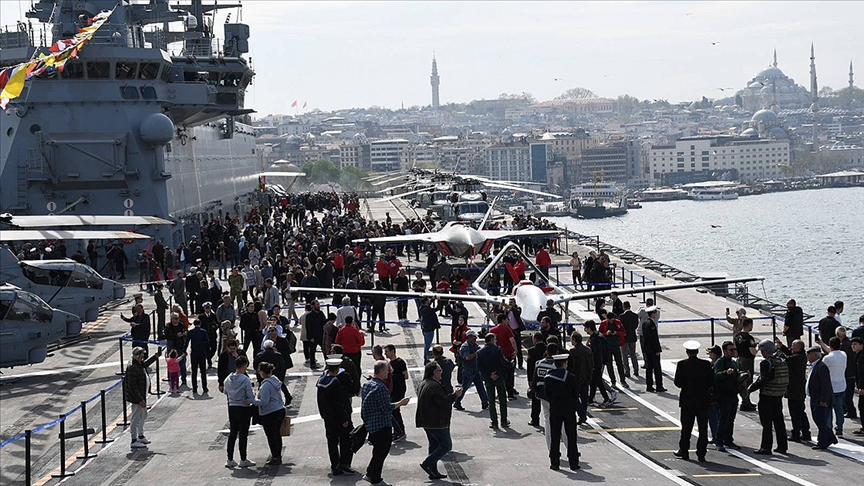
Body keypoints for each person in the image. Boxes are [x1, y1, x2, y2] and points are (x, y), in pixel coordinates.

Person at [360, 360, 410, 485]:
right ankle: (375, 478)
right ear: (382, 371)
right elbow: (387, 408)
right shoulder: (381, 388)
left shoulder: (367, 385)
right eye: (387, 371)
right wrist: (401, 403)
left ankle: (370, 472)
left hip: (371, 424)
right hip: (382, 425)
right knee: (381, 452)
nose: (388, 373)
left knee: (377, 451)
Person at [416, 361, 462, 480]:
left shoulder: (424, 383)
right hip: (437, 422)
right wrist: (455, 395)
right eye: (439, 370)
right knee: (446, 445)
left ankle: (433, 470)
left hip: (426, 421)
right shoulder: (434, 386)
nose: (441, 372)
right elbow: (443, 402)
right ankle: (427, 463)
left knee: (434, 445)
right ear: (433, 373)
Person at [673, 340, 714, 462]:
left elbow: (678, 382)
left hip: (687, 401)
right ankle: (701, 453)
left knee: (686, 428)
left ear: (687, 352)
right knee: (703, 429)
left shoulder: (682, 364)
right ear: (697, 352)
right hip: (703, 401)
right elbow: (711, 381)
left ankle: (684, 450)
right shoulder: (706, 364)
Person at [748, 339, 789, 455]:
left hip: (767, 395)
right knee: (779, 421)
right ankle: (782, 446)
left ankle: (766, 447)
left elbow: (763, 380)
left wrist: (750, 389)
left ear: (765, 351)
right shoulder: (781, 360)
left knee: (766, 423)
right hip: (778, 394)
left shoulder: (766, 363)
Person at [317, 358, 356, 476]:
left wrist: (323, 414)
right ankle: (344, 463)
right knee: (346, 440)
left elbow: (320, 401)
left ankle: (335, 465)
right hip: (339, 418)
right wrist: (344, 419)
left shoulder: (321, 381)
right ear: (338, 369)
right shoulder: (335, 382)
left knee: (332, 442)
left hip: (328, 417)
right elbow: (338, 403)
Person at [544, 353, 580, 471]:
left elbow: (547, 394)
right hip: (569, 409)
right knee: (571, 436)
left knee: (555, 436)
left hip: (555, 409)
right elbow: (576, 394)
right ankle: (573, 462)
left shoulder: (548, 377)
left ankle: (554, 463)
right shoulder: (570, 377)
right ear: (564, 364)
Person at [222, 355, 256, 468]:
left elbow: (225, 392)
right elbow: (250, 395)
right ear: (244, 366)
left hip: (232, 407)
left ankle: (229, 459)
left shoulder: (228, 379)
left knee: (233, 433)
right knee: (243, 434)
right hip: (243, 407)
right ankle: (243, 459)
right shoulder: (245, 379)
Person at [125, 346, 161, 449]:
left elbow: (146, 364)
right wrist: (140, 399)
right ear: (137, 356)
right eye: (141, 355)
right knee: (135, 418)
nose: (143, 357)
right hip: (137, 398)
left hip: (142, 395)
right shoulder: (132, 367)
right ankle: (133, 440)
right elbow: (132, 386)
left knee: (143, 416)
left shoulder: (139, 364)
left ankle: (140, 436)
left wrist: (155, 357)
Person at [778, 339, 811, 442]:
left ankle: (796, 433)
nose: (791, 348)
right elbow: (790, 354)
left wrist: (779, 353)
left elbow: (787, 359)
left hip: (795, 389)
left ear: (799, 348)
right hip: (798, 388)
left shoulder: (797, 358)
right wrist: (782, 347)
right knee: (801, 411)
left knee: (795, 412)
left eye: (794, 347)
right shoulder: (801, 356)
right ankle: (805, 432)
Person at [255, 361, 287, 466]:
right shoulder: (275, 380)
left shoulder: (266, 385)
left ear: (263, 372)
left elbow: (264, 401)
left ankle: (275, 457)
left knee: (271, 436)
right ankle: (278, 455)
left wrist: (253, 400)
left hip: (270, 413)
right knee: (277, 435)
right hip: (280, 410)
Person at [477, 333, 511, 429]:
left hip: (488, 379)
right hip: (499, 377)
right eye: (495, 339)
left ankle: (494, 422)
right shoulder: (497, 350)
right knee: (502, 399)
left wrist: (489, 374)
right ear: (491, 340)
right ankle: (504, 420)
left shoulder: (480, 352)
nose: (496, 341)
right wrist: (511, 364)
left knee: (491, 401)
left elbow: (479, 367)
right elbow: (503, 362)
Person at [712, 341, 741, 451]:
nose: (733, 351)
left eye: (734, 349)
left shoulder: (733, 362)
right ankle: (719, 441)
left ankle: (728, 439)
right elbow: (716, 375)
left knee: (731, 419)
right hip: (724, 394)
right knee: (723, 418)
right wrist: (726, 373)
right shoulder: (720, 362)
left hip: (733, 393)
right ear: (725, 351)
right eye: (731, 350)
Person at [807, 346, 837, 449]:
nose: (807, 357)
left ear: (815, 355)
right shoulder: (814, 366)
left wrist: (824, 399)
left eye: (809, 355)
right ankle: (829, 438)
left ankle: (824, 442)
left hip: (821, 399)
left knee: (821, 421)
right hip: (815, 398)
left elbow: (825, 385)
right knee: (818, 420)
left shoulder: (821, 367)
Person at [453, 330, 488, 411]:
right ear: (469, 337)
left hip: (476, 370)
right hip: (468, 371)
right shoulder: (465, 347)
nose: (475, 338)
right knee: (464, 388)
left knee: (481, 388)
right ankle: (457, 402)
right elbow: (467, 357)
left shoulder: (474, 345)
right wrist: (477, 353)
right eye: (474, 337)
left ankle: (485, 403)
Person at [819, 336, 848, 436]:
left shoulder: (827, 358)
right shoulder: (844, 355)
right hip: (841, 385)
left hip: (830, 387)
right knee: (839, 409)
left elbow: (822, 369)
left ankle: (829, 429)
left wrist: (822, 344)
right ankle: (839, 428)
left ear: (830, 346)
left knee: (828, 410)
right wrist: (822, 344)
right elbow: (833, 351)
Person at [584, 321, 616, 406]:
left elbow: (595, 352)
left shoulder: (596, 338)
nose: (585, 330)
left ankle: (606, 398)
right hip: (598, 362)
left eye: (586, 328)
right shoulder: (598, 336)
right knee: (593, 382)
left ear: (589, 328)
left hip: (596, 363)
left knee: (598, 381)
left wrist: (588, 346)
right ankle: (591, 399)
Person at [489, 313, 519, 399]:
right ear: (503, 320)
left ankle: (499, 393)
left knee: (499, 375)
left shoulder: (492, 330)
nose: (508, 321)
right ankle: (510, 393)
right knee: (509, 375)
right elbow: (512, 341)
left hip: (496, 356)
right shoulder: (507, 329)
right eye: (506, 319)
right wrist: (516, 351)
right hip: (508, 354)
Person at [384, 344, 409, 441]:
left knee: (395, 410)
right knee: (393, 411)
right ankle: (396, 431)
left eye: (387, 351)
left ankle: (400, 430)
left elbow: (406, 376)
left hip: (398, 389)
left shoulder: (400, 362)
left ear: (392, 351)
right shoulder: (389, 363)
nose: (385, 354)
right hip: (392, 389)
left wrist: (395, 377)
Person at [568, 332, 593, 424]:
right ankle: (583, 414)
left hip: (576, 377)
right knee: (584, 398)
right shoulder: (588, 350)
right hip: (586, 376)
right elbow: (591, 364)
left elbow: (571, 365)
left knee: (574, 397)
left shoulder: (573, 351)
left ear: (574, 340)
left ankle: (582, 414)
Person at [733, 318, 758, 411]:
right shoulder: (749, 338)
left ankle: (746, 400)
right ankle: (745, 402)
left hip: (739, 359)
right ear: (749, 325)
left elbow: (735, 351)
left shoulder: (737, 336)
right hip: (747, 361)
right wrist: (758, 347)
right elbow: (753, 352)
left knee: (741, 380)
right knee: (747, 380)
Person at [600, 312, 628, 389]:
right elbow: (600, 334)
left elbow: (624, 332)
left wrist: (617, 333)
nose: (611, 321)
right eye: (609, 320)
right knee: (609, 365)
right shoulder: (604, 323)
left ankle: (623, 380)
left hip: (616, 345)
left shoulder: (618, 322)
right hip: (607, 346)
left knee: (619, 363)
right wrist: (606, 333)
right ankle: (613, 381)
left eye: (612, 320)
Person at [642, 307, 665, 392]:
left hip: (647, 349)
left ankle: (649, 385)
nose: (656, 314)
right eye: (655, 313)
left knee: (649, 368)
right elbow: (654, 338)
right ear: (653, 314)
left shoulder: (644, 323)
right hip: (653, 350)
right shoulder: (651, 324)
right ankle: (659, 386)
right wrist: (657, 349)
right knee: (657, 368)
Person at [526, 332, 547, 427]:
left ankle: (535, 419)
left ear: (535, 339)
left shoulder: (532, 350)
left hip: (536, 378)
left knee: (535, 399)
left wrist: (530, 380)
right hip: (547, 377)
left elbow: (530, 367)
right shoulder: (547, 348)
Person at [185, 319, 210, 394]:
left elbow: (186, 342)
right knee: (203, 371)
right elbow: (207, 341)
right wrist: (203, 345)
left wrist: (184, 350)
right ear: (200, 324)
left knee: (194, 370)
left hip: (194, 352)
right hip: (201, 351)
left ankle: (194, 388)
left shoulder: (191, 332)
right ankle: (204, 387)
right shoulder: (203, 331)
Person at [619, 301, 639, 378]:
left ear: (623, 307)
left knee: (624, 356)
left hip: (624, 338)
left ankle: (627, 371)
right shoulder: (635, 315)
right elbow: (635, 325)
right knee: (633, 354)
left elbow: (621, 327)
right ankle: (636, 370)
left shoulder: (622, 316)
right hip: (632, 337)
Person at [850, 337, 864, 435]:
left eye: (855, 344)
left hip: (862, 386)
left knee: (862, 407)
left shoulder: (861, 357)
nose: (853, 346)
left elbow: (862, 373)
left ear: (861, 345)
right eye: (852, 344)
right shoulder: (859, 355)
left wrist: (861, 387)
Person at [419, 297, 440, 362]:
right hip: (429, 329)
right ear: (426, 301)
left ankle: (426, 358)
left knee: (427, 344)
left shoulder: (422, 308)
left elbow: (429, 305)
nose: (429, 301)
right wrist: (439, 301)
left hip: (425, 329)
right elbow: (437, 308)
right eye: (428, 300)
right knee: (427, 345)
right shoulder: (427, 310)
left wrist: (433, 299)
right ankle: (426, 359)